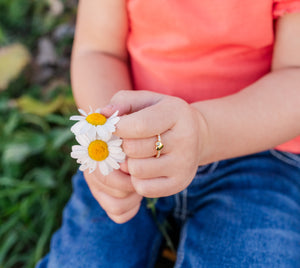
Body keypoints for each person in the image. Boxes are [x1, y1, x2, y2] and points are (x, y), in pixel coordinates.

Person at [37, 0, 300, 267]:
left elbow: (295, 75)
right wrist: (107, 136)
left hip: (260, 150)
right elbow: (98, 50)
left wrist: (204, 133)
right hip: (131, 148)